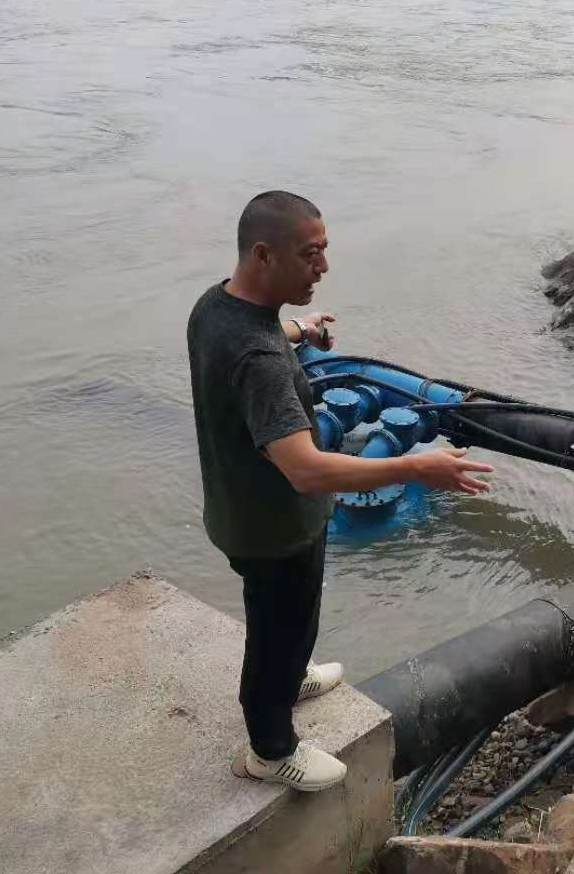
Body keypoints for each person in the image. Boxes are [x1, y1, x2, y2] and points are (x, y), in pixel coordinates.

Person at [187, 190, 494, 793]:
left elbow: (258, 330)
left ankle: (291, 675)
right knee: (279, 627)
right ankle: (271, 749)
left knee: (286, 620)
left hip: (238, 508)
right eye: (310, 254)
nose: (323, 267)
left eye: (324, 250)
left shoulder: (215, 306)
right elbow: (305, 469)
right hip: (275, 528)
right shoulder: (260, 360)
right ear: (263, 255)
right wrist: (416, 467)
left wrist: (300, 329)